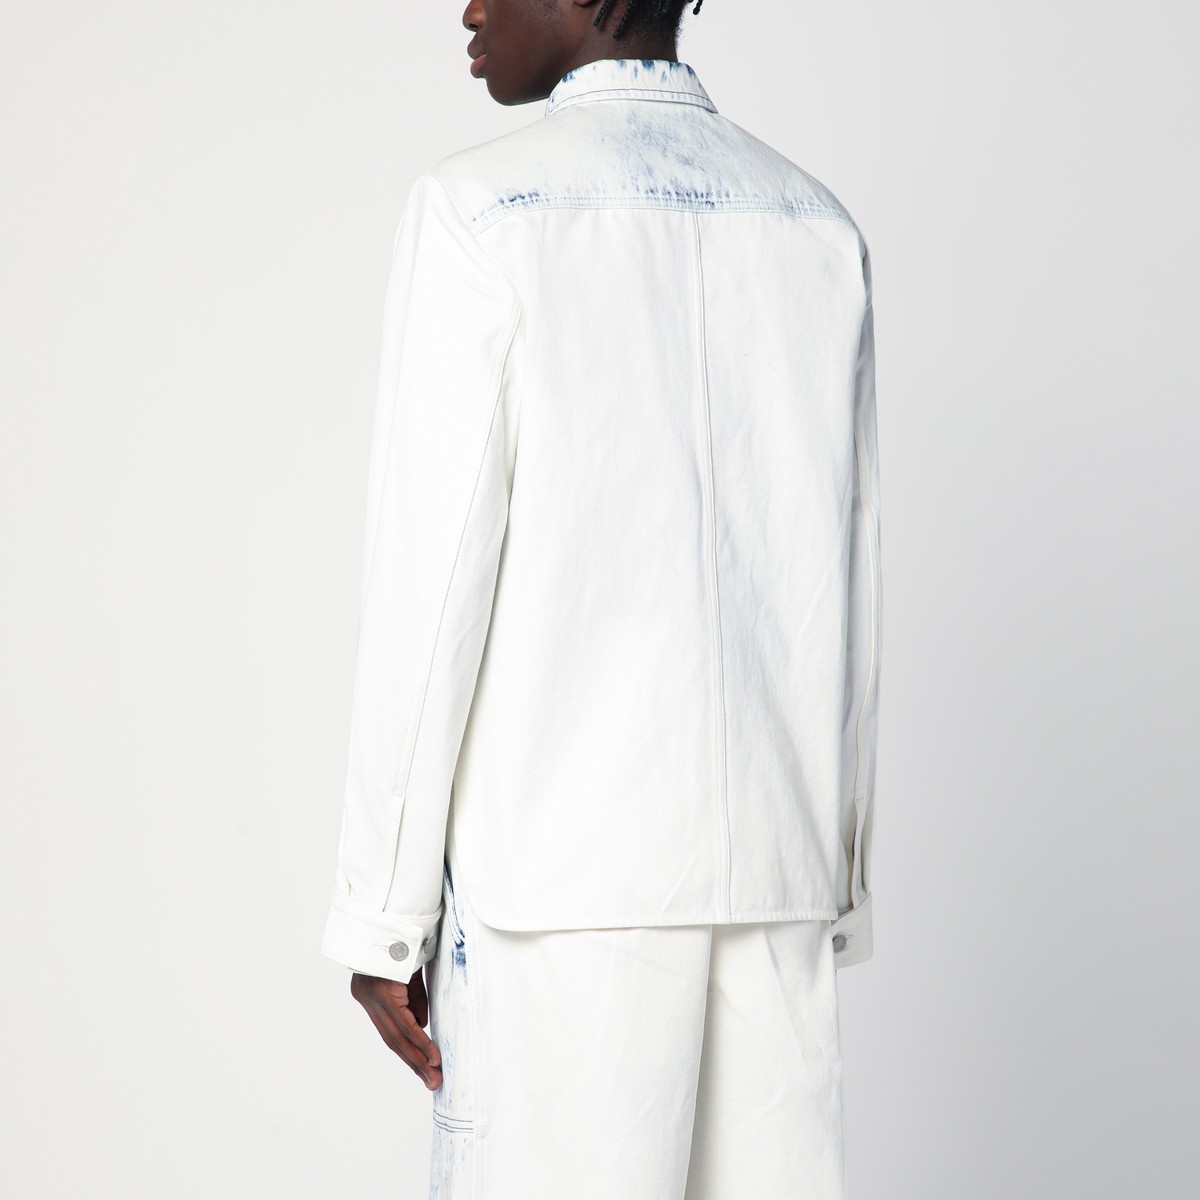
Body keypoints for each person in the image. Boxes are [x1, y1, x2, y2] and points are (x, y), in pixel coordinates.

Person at [320, 1, 883, 1196]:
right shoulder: (817, 227)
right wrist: (833, 873)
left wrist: (382, 913)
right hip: (775, 881)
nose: (469, 8)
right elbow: (844, 572)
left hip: (561, 899)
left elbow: (435, 579)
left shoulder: (481, 213)